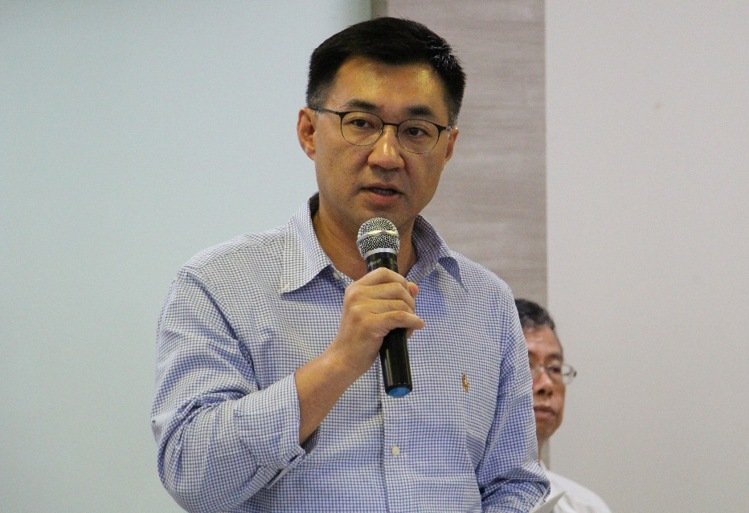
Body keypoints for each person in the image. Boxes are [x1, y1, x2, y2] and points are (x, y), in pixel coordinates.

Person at [151, 17, 549, 513]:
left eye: (416, 131)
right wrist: (339, 362)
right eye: (361, 123)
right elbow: (192, 475)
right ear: (309, 132)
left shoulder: (486, 302)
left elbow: (514, 483)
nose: (387, 155)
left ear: (447, 148)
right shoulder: (217, 286)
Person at [515, 299, 613, 513]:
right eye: (526, 365)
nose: (546, 385)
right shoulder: (454, 500)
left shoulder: (586, 508)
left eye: (554, 368)